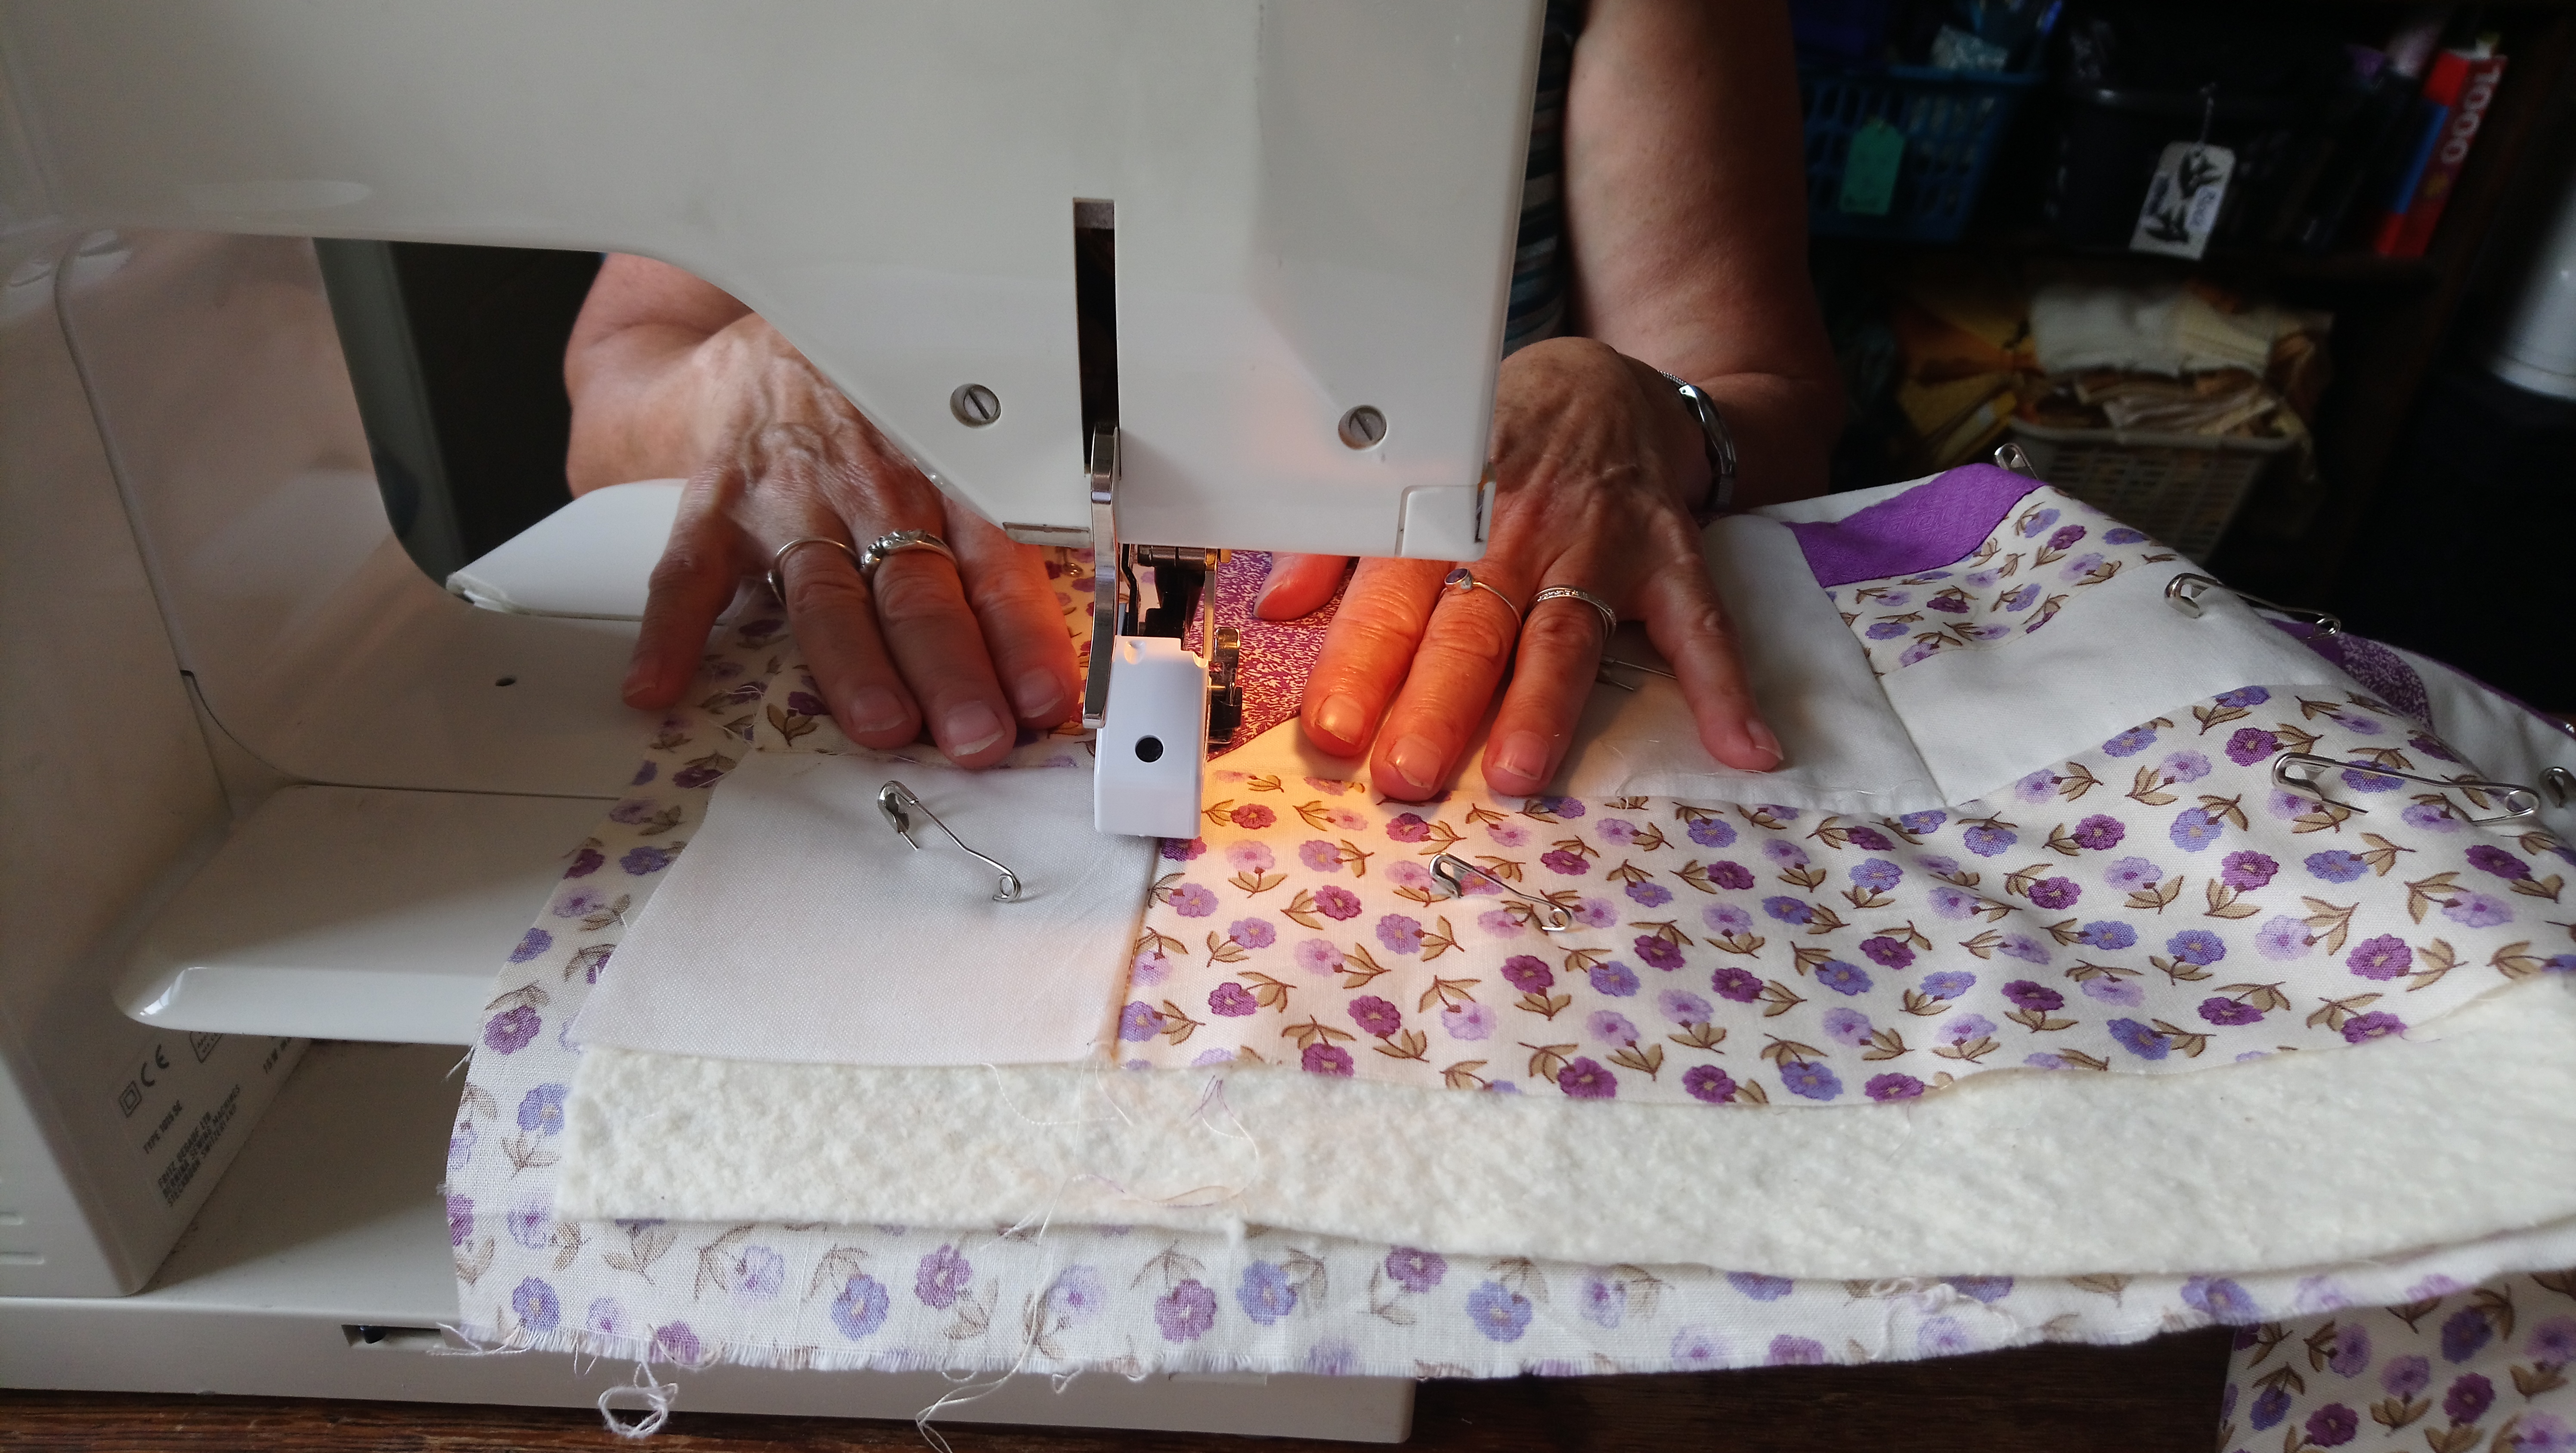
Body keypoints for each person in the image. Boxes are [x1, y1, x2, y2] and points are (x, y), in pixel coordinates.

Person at [564, 0, 1840, 802]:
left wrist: (1626, 410)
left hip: (1484, 636)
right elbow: (618, 384)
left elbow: (1762, 391)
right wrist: (758, 381)